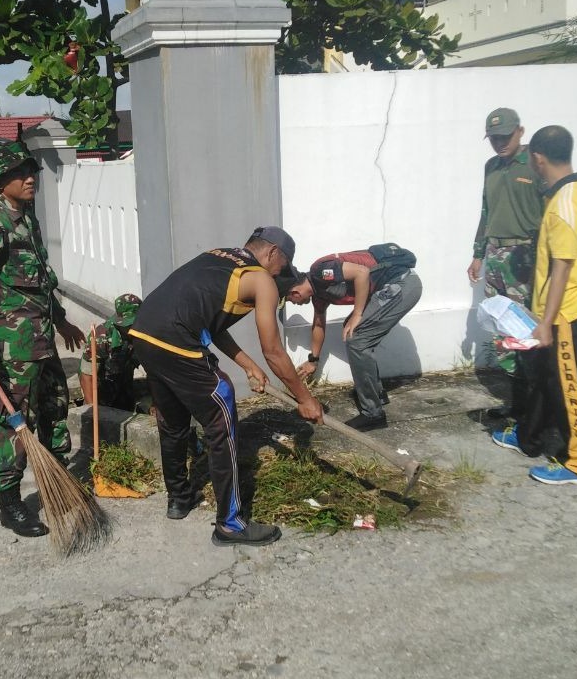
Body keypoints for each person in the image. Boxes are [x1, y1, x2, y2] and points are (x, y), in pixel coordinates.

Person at [130, 226, 324, 547]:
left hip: (144, 332)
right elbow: (274, 350)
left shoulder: (217, 258)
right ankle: (231, 525)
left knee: (174, 420)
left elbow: (210, 323)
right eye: (284, 265)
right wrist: (304, 398)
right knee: (222, 410)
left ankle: (179, 498)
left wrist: (248, 365)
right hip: (176, 337)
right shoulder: (261, 279)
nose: (281, 273)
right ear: (273, 252)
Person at [0, 140, 85, 537]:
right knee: (13, 426)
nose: (30, 178)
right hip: (13, 348)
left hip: (42, 339)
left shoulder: (27, 219)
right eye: (19, 173)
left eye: (32, 171)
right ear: (0, 180)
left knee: (55, 410)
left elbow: (40, 281)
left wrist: (61, 321)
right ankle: (10, 505)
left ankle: (58, 485)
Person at [492, 125, 577, 486]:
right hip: (562, 309)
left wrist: (547, 322)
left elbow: (563, 267)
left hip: (569, 312)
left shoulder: (563, 207)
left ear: (538, 158)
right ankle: (530, 436)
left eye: (533, 160)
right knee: (542, 376)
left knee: (569, 386)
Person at [287, 244, 421, 430]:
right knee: (353, 331)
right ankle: (377, 393)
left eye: (290, 300)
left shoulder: (319, 271)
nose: (295, 303)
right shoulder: (319, 295)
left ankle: (373, 414)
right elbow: (318, 324)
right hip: (392, 288)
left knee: (356, 338)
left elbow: (361, 272)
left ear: (295, 292)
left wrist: (357, 314)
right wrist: (313, 360)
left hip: (401, 284)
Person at [466, 107, 546, 419]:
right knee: (502, 334)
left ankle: (532, 409)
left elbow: (549, 213)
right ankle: (516, 403)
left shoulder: (536, 164)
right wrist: (477, 253)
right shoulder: (491, 167)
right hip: (495, 257)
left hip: (524, 258)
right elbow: (486, 211)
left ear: (520, 132)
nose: (499, 143)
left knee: (524, 333)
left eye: (505, 136)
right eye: (494, 138)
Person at [78, 293, 142, 411]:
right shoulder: (101, 337)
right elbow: (87, 376)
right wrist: (93, 409)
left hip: (125, 385)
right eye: (127, 325)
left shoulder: (144, 333)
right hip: (101, 388)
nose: (131, 328)